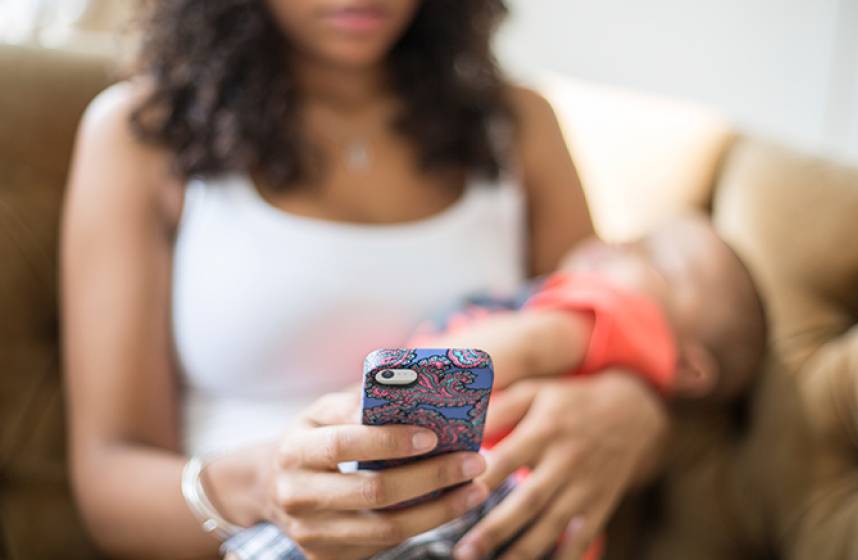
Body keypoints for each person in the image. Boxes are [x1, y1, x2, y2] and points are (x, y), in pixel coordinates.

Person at [60, 1, 618, 559]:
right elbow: (110, 479)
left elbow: (607, 317)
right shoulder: (140, 136)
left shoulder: (521, 126)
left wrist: (629, 407)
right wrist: (261, 488)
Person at [221, 213, 767, 559]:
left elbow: (519, 348)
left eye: (652, 257)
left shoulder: (615, 308)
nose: (620, 244)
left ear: (691, 369)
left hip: (458, 493)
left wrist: (397, 387)